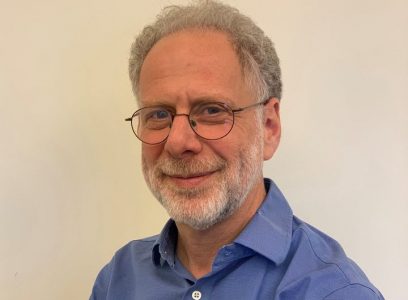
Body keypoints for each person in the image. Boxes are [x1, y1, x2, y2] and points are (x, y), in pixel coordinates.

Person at [90, 1, 384, 299]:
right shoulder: (120, 279)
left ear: (269, 127)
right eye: (159, 115)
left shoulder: (333, 291)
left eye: (212, 110)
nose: (178, 142)